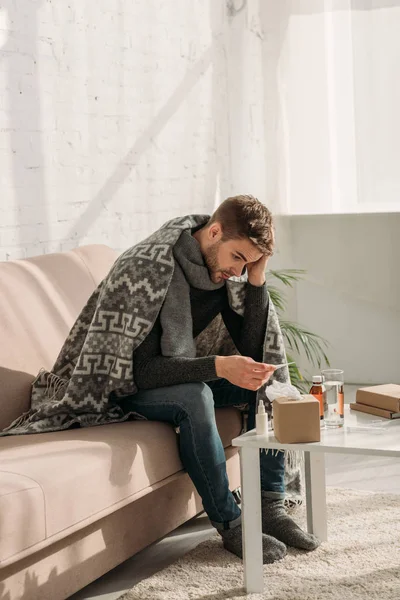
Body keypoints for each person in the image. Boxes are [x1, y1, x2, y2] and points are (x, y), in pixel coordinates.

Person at [122, 195, 320, 563]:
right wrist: (217, 366)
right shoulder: (150, 267)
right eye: (238, 259)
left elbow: (250, 350)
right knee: (195, 395)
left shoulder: (221, 274)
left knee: (263, 380)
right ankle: (231, 524)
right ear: (214, 232)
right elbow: (141, 371)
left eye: (249, 263)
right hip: (127, 386)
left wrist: (257, 282)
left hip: (169, 376)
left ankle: (269, 506)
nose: (238, 271)